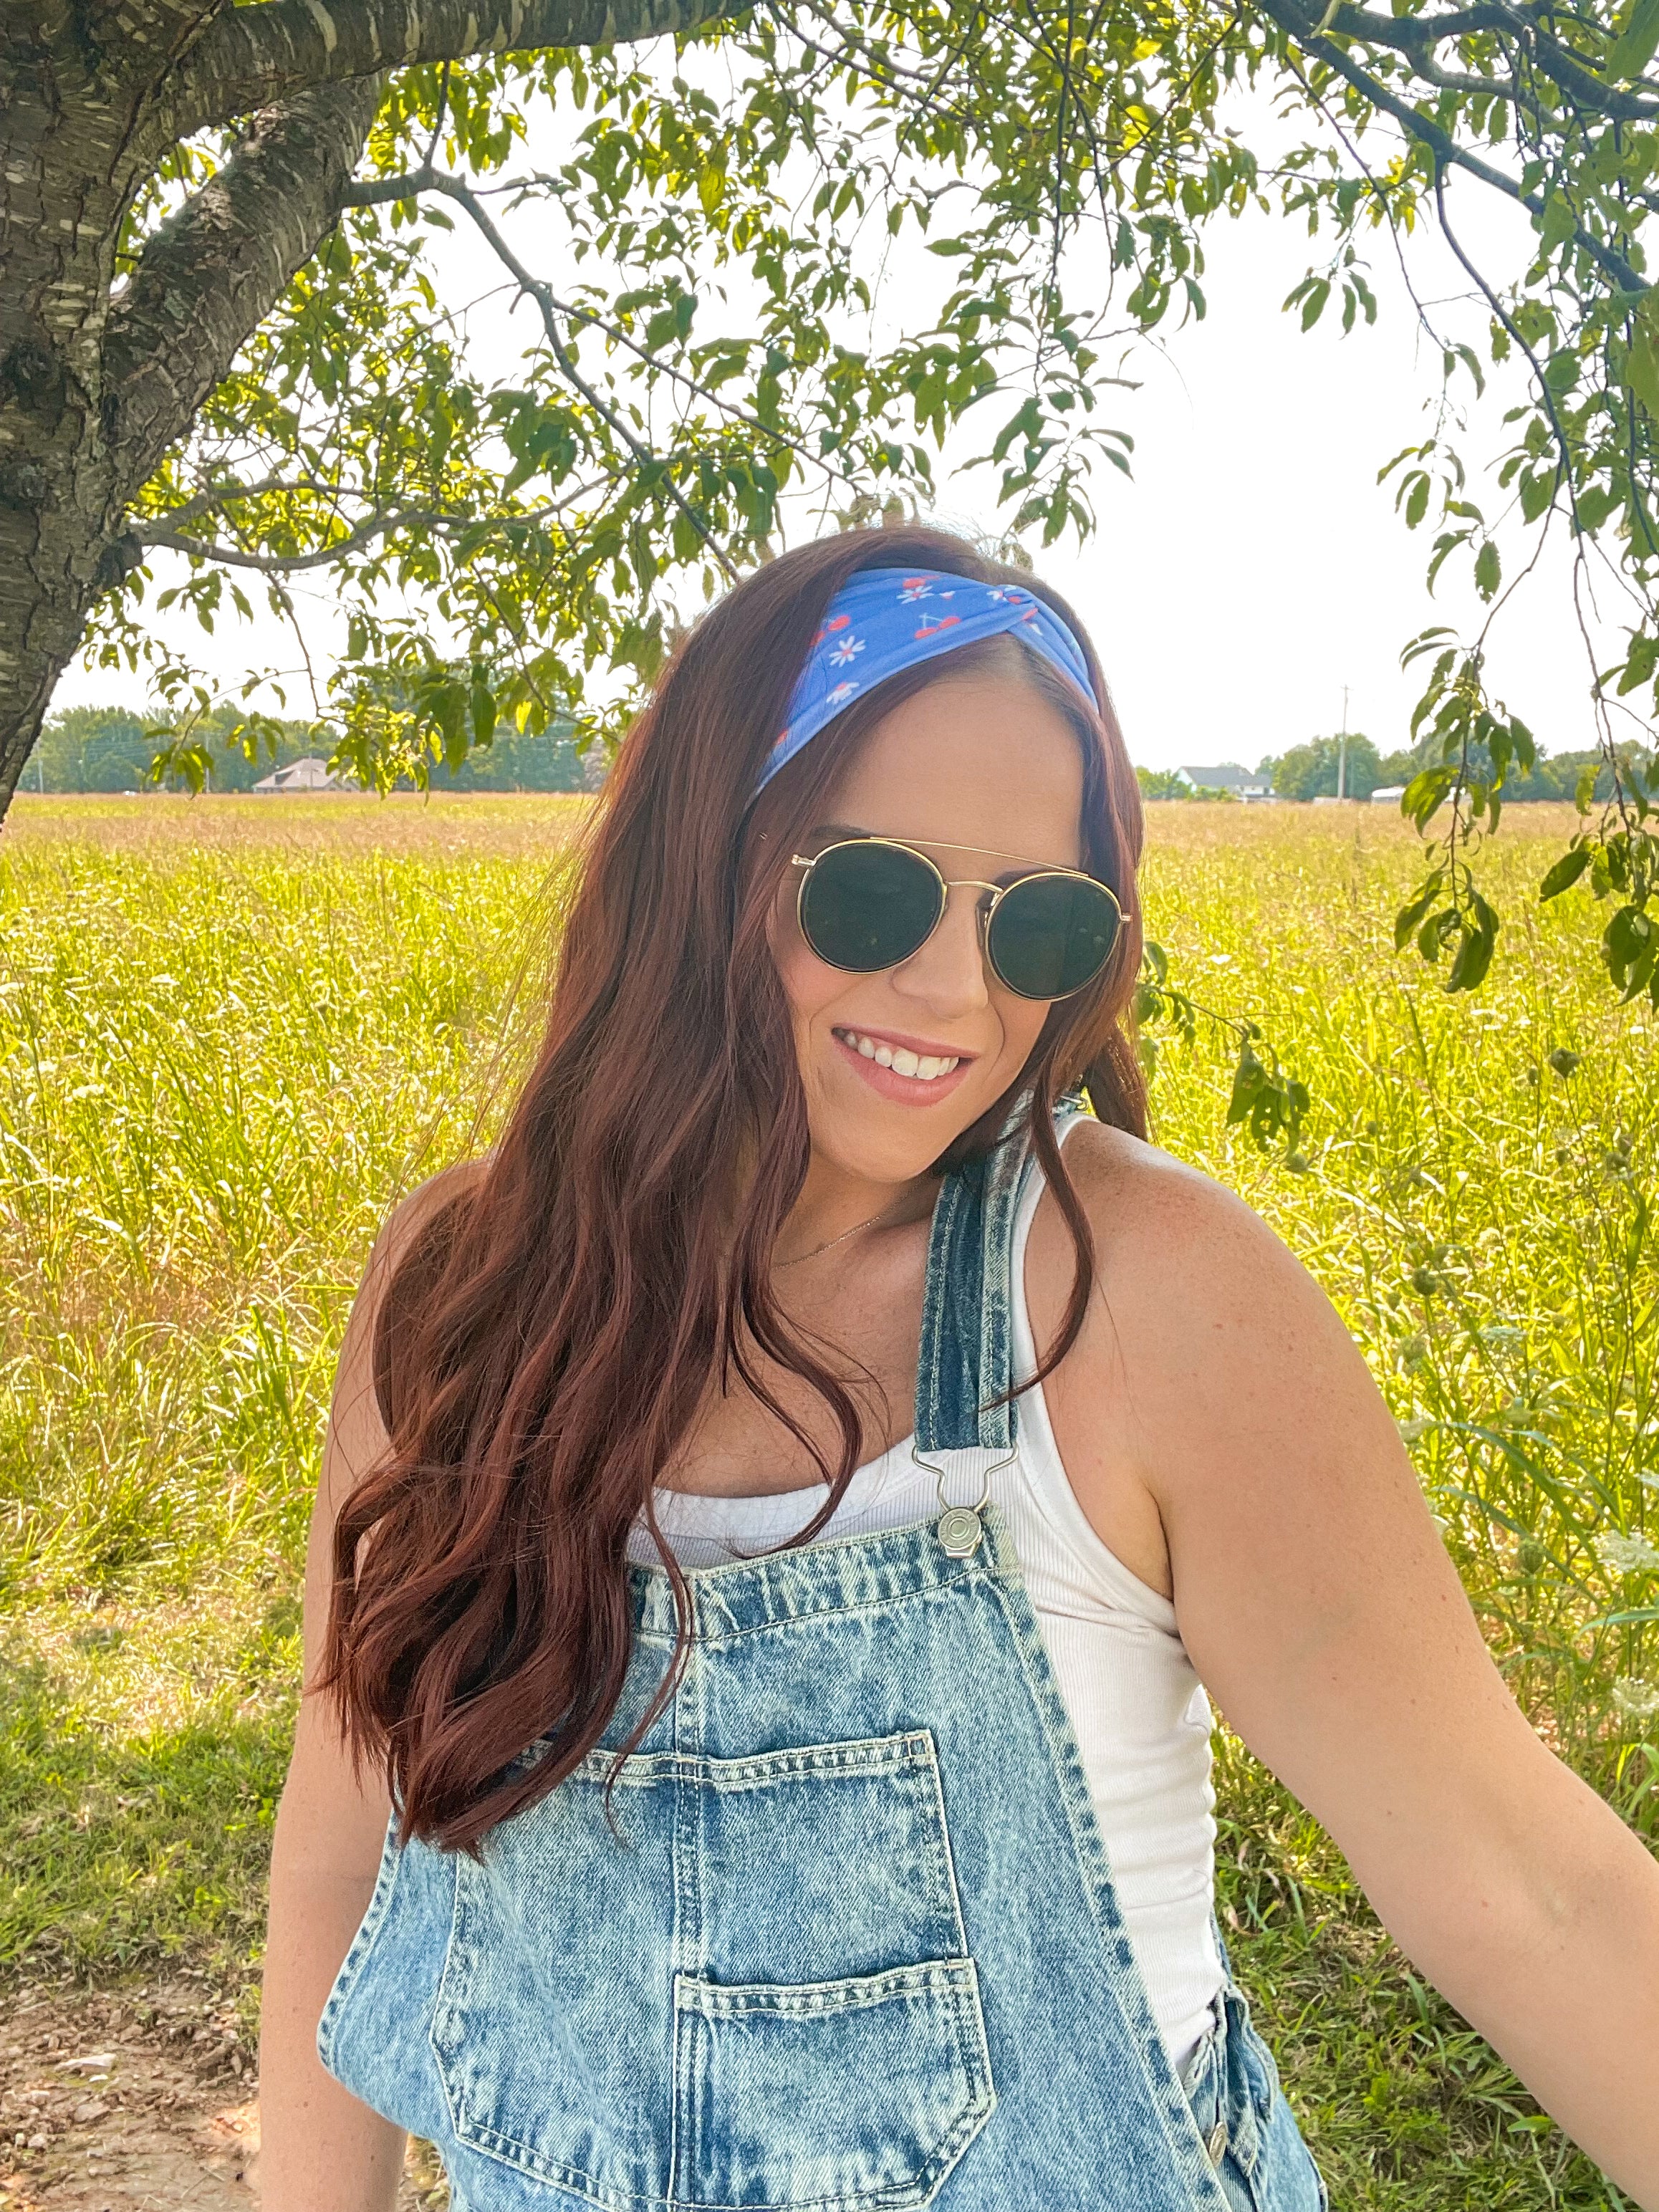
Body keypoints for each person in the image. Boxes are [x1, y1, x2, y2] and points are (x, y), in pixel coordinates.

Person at [259, 528, 1659, 2212]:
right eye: (874, 887)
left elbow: (1529, 1886)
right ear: (706, 857)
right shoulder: (462, 1295)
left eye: (1038, 921)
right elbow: (342, 1852)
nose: (953, 987)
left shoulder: (1140, 1302)